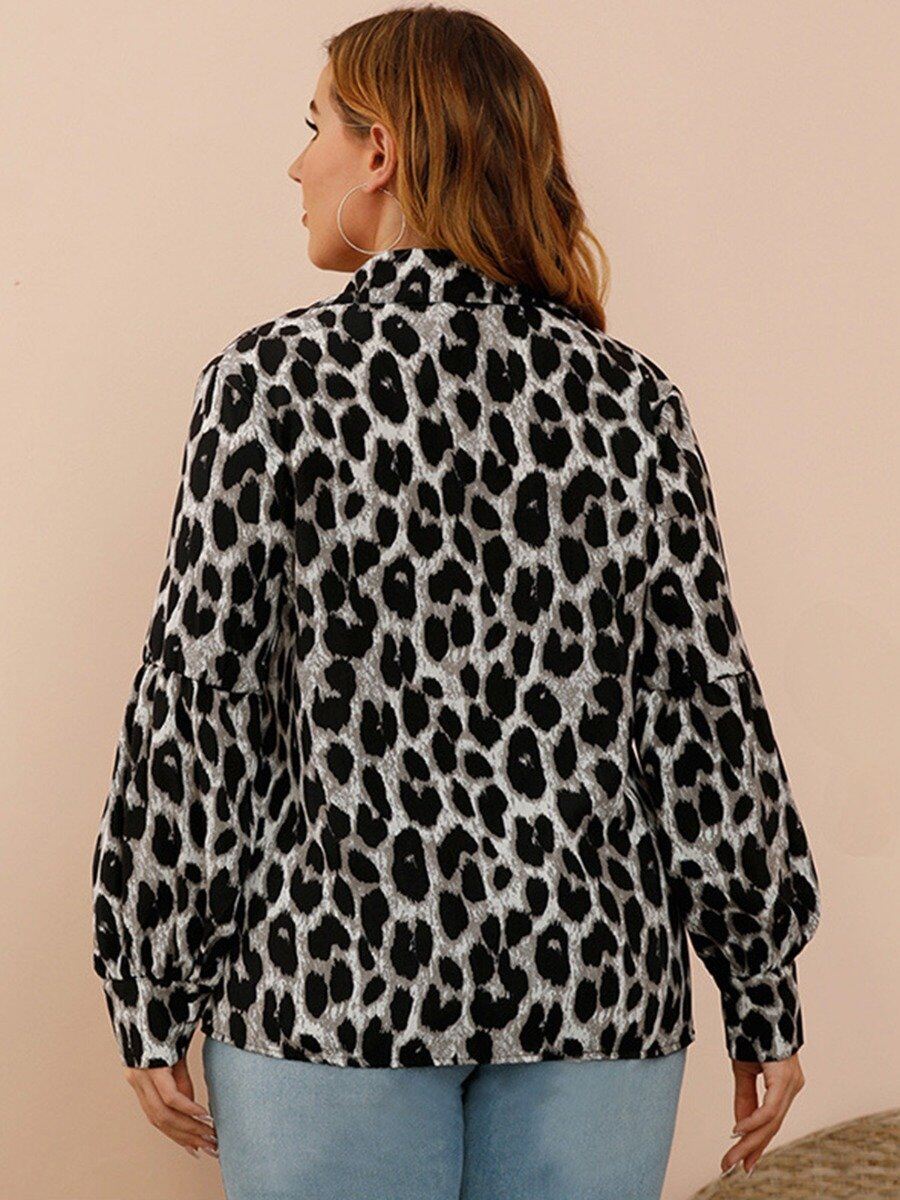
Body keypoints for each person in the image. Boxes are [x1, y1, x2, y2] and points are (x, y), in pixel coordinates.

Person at [89, 7, 822, 1199]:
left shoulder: (269, 388)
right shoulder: (629, 400)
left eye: (316, 127)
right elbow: (700, 708)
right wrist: (761, 982)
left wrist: (151, 976)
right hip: (594, 983)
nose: (298, 164)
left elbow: (199, 702)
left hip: (330, 982)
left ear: (380, 151)